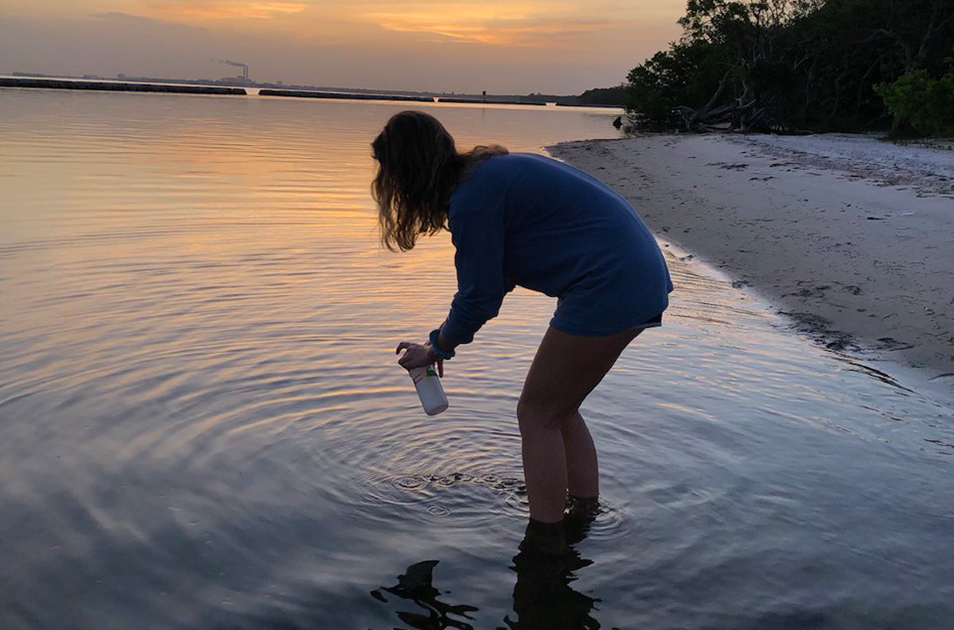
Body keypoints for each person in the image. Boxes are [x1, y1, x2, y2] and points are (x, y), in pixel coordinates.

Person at [374, 111, 673, 554]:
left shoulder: (472, 199)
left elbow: (479, 297)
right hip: (637, 277)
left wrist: (437, 347)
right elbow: (500, 274)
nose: (389, 185)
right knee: (560, 408)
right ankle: (584, 514)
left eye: (390, 174)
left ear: (409, 171)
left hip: (609, 284)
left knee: (536, 415)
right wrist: (440, 341)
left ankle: (545, 544)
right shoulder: (488, 175)